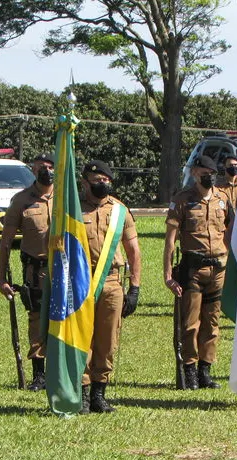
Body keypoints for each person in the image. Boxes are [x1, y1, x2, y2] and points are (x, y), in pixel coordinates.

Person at [78, 160, 141, 413]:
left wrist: (134, 287)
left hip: (112, 282)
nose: (102, 184)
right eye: (97, 181)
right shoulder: (73, 209)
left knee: (108, 339)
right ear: (85, 182)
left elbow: (134, 251)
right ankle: (81, 393)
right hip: (81, 281)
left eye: (106, 181)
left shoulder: (119, 211)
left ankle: (99, 394)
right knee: (82, 338)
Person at [164, 155, 232, 390]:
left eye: (212, 173)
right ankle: (190, 371)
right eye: (204, 172)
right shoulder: (183, 200)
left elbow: (230, 232)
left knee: (212, 323)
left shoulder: (222, 199)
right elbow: (171, 241)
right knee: (191, 323)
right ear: (194, 173)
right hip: (192, 269)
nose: (209, 176)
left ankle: (205, 370)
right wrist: (168, 275)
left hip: (218, 269)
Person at [0, 153, 55, 391]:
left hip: (64, 271)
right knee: (37, 320)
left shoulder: (67, 199)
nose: (46, 170)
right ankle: (39, 375)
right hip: (36, 271)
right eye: (42, 167)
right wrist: (1, 278)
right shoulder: (21, 200)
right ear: (33, 170)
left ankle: (62, 369)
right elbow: (6, 241)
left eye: (50, 167)